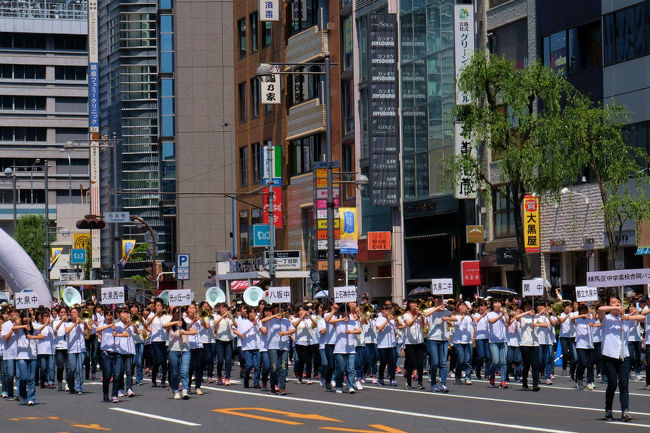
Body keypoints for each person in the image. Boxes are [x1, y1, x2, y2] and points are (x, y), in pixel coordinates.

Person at [597, 294, 645, 422]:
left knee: (624, 385)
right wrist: (614, 308)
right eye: (613, 303)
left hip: (624, 355)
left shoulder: (625, 318)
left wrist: (628, 316)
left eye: (618, 303)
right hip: (609, 355)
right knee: (612, 384)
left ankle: (625, 411)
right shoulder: (606, 318)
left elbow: (643, 317)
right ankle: (608, 410)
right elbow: (600, 310)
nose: (616, 305)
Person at [423, 297, 455, 392]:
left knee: (443, 363)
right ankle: (433, 383)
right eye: (437, 299)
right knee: (435, 363)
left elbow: (455, 319)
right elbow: (425, 314)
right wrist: (437, 308)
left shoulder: (446, 311)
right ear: (434, 300)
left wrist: (447, 318)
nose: (439, 301)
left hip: (444, 339)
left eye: (441, 299)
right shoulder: (431, 309)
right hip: (433, 339)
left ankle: (443, 384)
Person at [164, 306, 196, 400]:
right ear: (174, 314)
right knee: (174, 372)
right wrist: (175, 322)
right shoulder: (171, 325)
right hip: (174, 349)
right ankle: (175, 390)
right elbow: (164, 325)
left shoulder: (185, 324)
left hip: (185, 349)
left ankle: (185, 390)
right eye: (177, 312)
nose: (179, 314)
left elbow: (194, 331)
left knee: (185, 371)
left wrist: (184, 333)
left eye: (180, 313)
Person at [331, 303, 361, 394]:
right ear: (342, 312)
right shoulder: (337, 321)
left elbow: (359, 330)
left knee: (351, 369)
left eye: (348, 311)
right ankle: (339, 385)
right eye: (345, 311)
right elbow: (328, 320)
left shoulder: (353, 321)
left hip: (351, 348)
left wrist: (351, 331)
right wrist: (341, 319)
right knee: (341, 369)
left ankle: (351, 386)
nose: (346, 313)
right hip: (339, 349)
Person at [15, 310, 43, 405]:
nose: (26, 319)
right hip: (21, 356)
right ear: (22, 318)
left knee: (31, 378)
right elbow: (13, 328)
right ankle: (23, 396)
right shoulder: (19, 329)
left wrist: (33, 337)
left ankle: (31, 398)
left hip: (32, 355)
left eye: (28, 317)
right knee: (23, 378)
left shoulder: (34, 327)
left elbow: (41, 336)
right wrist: (23, 326)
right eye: (24, 317)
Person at [516, 299, 542, 392]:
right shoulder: (523, 317)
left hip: (535, 343)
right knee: (526, 365)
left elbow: (546, 324)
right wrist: (527, 312)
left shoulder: (536, 316)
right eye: (526, 306)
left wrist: (537, 323)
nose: (528, 307)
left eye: (530, 306)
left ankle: (535, 385)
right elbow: (517, 316)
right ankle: (525, 383)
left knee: (535, 365)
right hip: (525, 343)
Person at [65, 307, 90, 395]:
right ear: (70, 314)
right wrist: (75, 324)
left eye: (76, 312)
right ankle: (71, 384)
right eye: (73, 312)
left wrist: (85, 324)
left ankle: (79, 388)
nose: (75, 314)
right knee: (72, 369)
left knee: (79, 369)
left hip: (81, 348)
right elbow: (66, 331)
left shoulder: (82, 324)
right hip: (71, 349)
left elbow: (88, 332)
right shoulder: (67, 324)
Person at [96, 311, 119, 402]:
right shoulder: (102, 323)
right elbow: (97, 330)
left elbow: (123, 331)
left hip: (116, 352)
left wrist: (115, 328)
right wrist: (109, 326)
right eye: (107, 315)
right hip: (106, 352)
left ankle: (114, 395)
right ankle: (105, 393)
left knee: (117, 374)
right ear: (105, 316)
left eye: (110, 315)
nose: (109, 317)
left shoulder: (116, 324)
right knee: (107, 375)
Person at [235, 305, 260, 389]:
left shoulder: (257, 322)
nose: (253, 314)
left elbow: (260, 333)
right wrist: (252, 325)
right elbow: (242, 332)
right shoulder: (245, 322)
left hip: (256, 347)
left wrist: (256, 324)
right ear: (248, 314)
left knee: (256, 366)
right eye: (251, 312)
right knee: (249, 365)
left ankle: (256, 383)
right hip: (247, 347)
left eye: (254, 312)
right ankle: (246, 380)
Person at [573, 304, 598, 391]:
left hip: (590, 344)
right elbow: (571, 319)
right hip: (580, 344)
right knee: (583, 362)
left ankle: (590, 381)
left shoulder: (590, 317)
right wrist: (582, 315)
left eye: (585, 310)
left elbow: (597, 318)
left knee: (590, 364)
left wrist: (592, 312)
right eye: (582, 310)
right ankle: (579, 379)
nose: (584, 312)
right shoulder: (577, 319)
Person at [402, 299, 425, 390]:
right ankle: (408, 382)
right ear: (409, 305)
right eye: (412, 303)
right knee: (411, 363)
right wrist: (416, 317)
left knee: (420, 363)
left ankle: (420, 383)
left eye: (415, 303)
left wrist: (421, 316)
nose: (414, 305)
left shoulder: (419, 314)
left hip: (419, 341)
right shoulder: (406, 315)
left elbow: (423, 325)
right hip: (410, 343)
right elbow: (409, 324)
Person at [146, 299, 169, 388]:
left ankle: (163, 380)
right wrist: (156, 313)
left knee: (164, 362)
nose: (159, 307)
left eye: (160, 306)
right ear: (154, 307)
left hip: (164, 340)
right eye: (157, 306)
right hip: (155, 341)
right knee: (158, 360)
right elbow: (147, 323)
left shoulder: (165, 316)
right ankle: (154, 379)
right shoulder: (151, 315)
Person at [292, 304, 317, 385]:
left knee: (309, 361)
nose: (302, 311)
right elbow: (294, 325)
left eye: (303, 310)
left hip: (309, 342)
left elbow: (316, 325)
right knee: (301, 360)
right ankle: (299, 376)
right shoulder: (295, 319)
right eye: (300, 310)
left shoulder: (309, 320)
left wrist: (309, 316)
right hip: (299, 342)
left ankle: (309, 377)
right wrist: (301, 317)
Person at [487, 300, 509, 389]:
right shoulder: (490, 314)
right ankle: (492, 377)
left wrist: (506, 314)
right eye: (495, 303)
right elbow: (491, 321)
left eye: (498, 303)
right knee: (495, 361)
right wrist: (501, 315)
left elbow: (508, 323)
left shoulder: (504, 313)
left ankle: (503, 381)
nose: (497, 304)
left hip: (503, 340)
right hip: (493, 341)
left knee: (503, 362)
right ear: (493, 305)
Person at [214, 303, 235, 385]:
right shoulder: (217, 316)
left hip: (229, 340)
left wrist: (231, 317)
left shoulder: (229, 318)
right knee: (220, 360)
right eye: (222, 308)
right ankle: (219, 376)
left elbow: (236, 326)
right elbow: (215, 323)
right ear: (219, 309)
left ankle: (227, 378)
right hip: (220, 341)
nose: (224, 309)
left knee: (228, 360)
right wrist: (223, 316)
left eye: (225, 308)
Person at [558, 301, 578, 380]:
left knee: (574, 355)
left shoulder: (574, 314)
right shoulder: (561, 314)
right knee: (565, 352)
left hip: (572, 336)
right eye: (566, 307)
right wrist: (568, 315)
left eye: (569, 306)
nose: (568, 308)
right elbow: (561, 321)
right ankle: (564, 366)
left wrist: (571, 315)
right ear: (563, 308)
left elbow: (574, 322)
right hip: (563, 336)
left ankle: (572, 371)